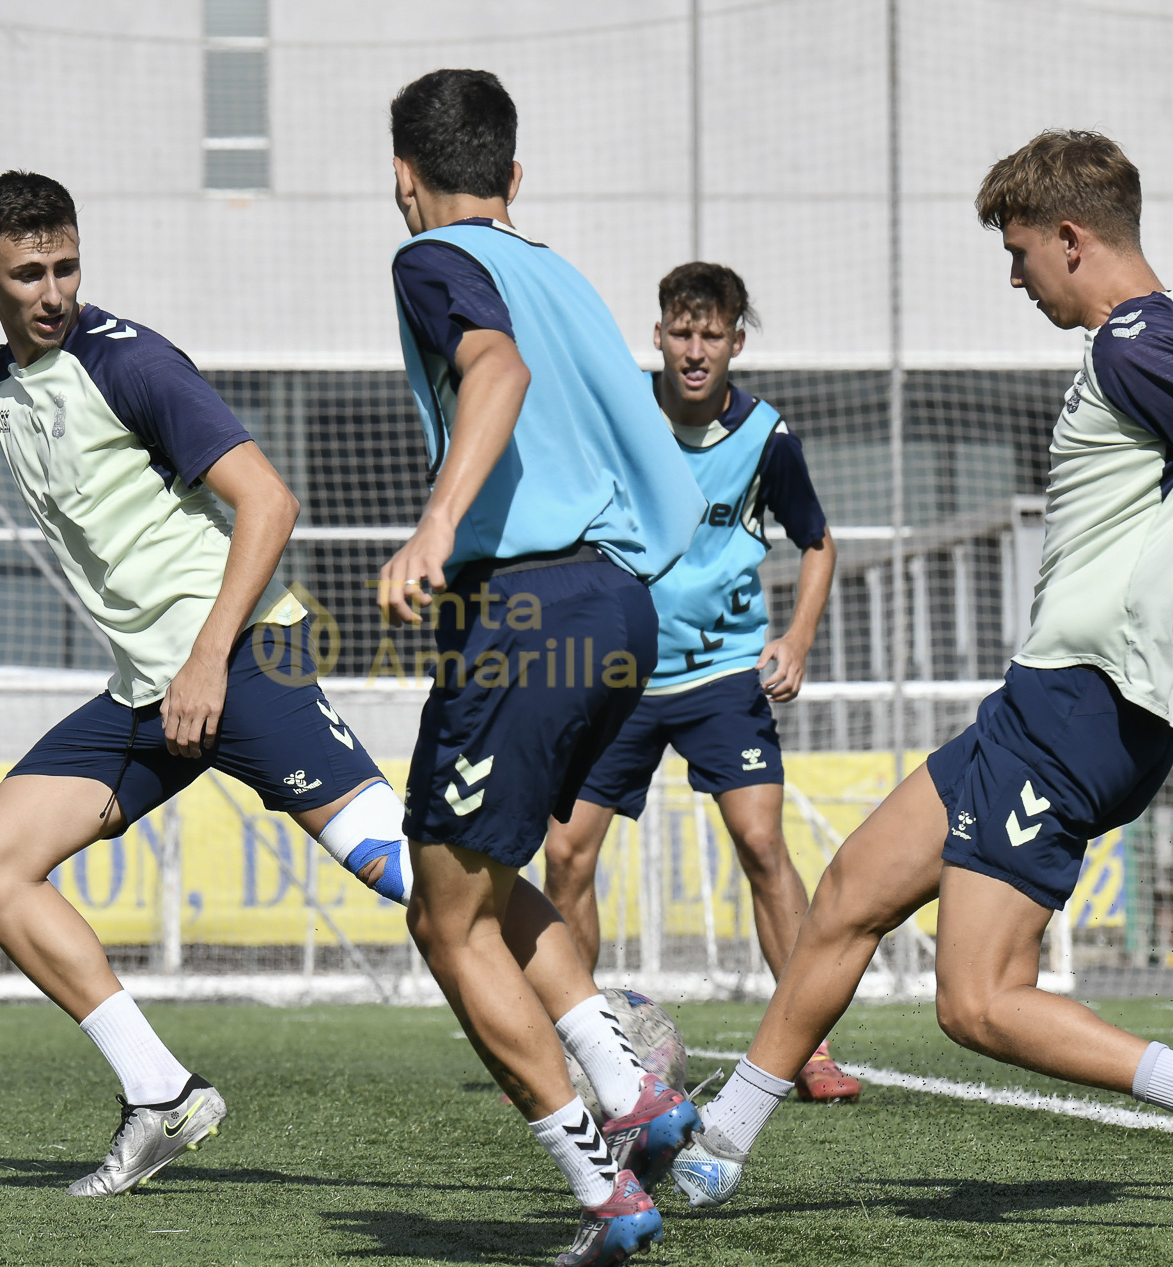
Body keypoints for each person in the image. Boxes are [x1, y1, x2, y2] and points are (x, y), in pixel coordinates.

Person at [0, 171, 659, 1201]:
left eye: (66, 266)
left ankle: (620, 1061)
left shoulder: (130, 362)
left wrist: (206, 659)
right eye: (28, 273)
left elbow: (269, 500)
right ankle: (161, 1093)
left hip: (243, 659)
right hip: (151, 689)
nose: (52, 291)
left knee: (425, 874)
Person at [667, 130, 1173, 1236]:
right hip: (1052, 701)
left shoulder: (1140, 345)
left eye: (1018, 252)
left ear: (1070, 238)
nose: (1015, 277)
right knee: (853, 888)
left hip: (1084, 703)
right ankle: (719, 1141)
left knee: (975, 1000)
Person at [380, 71, 707, 1266]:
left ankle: (601, 1184)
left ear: (402, 177)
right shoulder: (559, 270)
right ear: (514, 175)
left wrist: (433, 524)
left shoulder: (432, 258)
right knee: (478, 879)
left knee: (442, 918)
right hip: (617, 607)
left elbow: (496, 371)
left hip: (527, 607)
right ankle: (631, 1088)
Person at [541, 262, 858, 1103]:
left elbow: (818, 542)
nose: (694, 349)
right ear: (658, 336)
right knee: (565, 853)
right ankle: (570, 1051)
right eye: (681, 332)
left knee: (761, 843)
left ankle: (809, 1046)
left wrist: (797, 638)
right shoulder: (621, 421)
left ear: (734, 343)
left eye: (711, 335)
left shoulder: (766, 438)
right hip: (618, 675)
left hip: (723, 673)